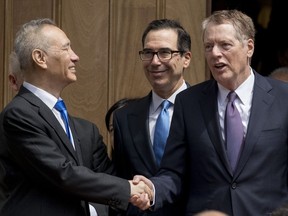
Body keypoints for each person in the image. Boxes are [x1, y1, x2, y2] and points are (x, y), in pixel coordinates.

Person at [131, 10, 288, 215]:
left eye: (225, 45)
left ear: (249, 47)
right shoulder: (189, 102)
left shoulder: (283, 98)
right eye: (208, 46)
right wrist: (152, 190)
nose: (215, 53)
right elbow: (174, 172)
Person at [0, 18, 152, 216]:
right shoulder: (18, 114)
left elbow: (106, 178)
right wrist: (128, 189)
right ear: (40, 58)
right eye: (66, 49)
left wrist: (136, 188)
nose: (75, 57)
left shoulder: (84, 130)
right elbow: (62, 173)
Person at [110, 19, 192, 216]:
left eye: (165, 52)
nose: (155, 62)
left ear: (186, 58)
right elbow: (121, 181)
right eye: (148, 53)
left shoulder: (206, 110)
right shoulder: (124, 117)